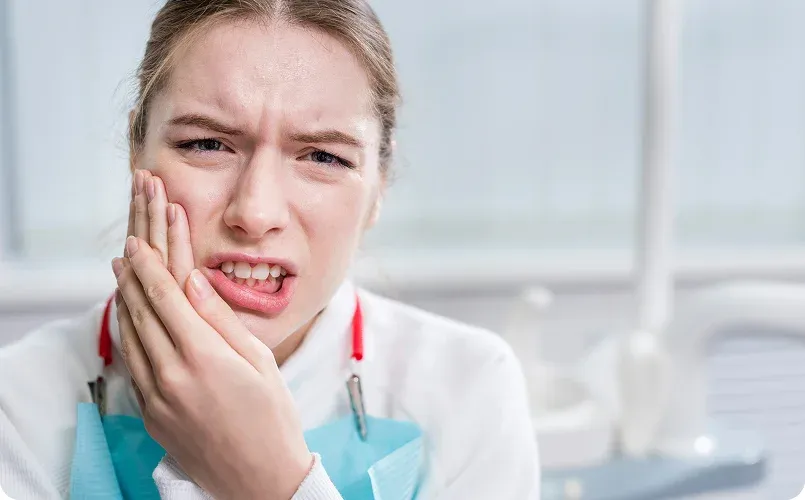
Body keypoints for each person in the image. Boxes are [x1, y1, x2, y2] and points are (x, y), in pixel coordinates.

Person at [0, 1, 540, 498]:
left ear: (379, 187)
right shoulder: (19, 401)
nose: (256, 213)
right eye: (206, 144)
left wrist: (271, 482)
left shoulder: (471, 390)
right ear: (136, 150)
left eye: (324, 157)